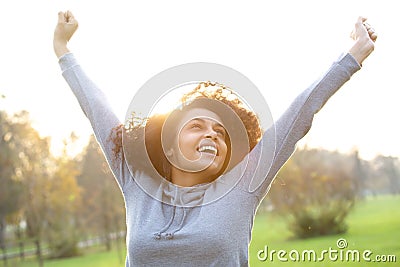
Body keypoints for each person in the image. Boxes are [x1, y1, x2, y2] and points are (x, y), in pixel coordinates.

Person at [53, 10, 377, 266]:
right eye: (196, 125)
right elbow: (96, 108)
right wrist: (63, 49)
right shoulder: (138, 182)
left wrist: (354, 54)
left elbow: (300, 113)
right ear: (168, 144)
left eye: (220, 132)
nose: (211, 133)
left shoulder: (242, 188)